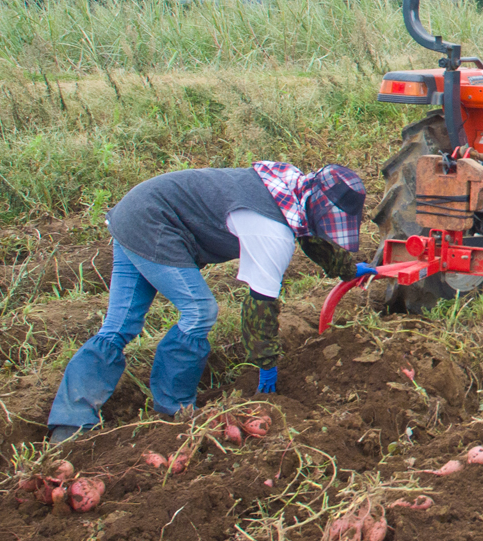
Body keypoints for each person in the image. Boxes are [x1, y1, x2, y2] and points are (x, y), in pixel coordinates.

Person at [46, 163, 373, 441]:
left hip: (137, 210)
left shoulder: (290, 186)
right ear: (317, 203)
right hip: (154, 223)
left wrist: (345, 269)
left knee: (119, 325)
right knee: (199, 311)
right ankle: (175, 408)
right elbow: (260, 306)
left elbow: (307, 230)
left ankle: (69, 423)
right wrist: (267, 365)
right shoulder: (271, 231)